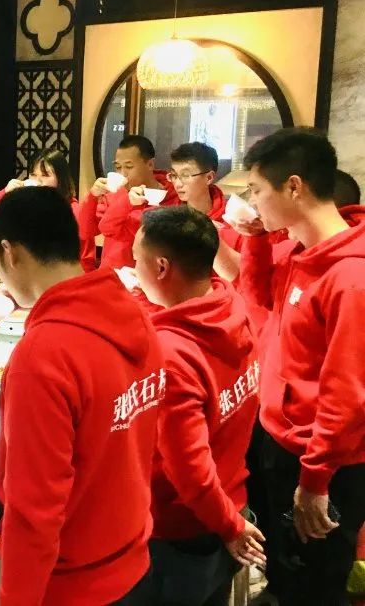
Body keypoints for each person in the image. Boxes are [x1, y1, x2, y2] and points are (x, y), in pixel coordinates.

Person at [0, 187, 164, 605]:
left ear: (9, 252)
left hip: (74, 583)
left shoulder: (44, 354)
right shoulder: (133, 313)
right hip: (132, 557)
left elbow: (34, 509)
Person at [227, 128, 365, 606]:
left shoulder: (350, 275)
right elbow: (257, 299)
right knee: (284, 566)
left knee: (316, 580)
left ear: (293, 187)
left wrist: (316, 478)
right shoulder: (303, 254)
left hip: (323, 460)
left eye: (255, 190)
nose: (252, 201)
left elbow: (347, 393)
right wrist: (256, 240)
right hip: (281, 438)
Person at [132, 207, 264, 606]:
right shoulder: (229, 305)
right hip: (229, 499)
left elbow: (189, 469)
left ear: (161, 267)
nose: (133, 270)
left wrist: (230, 527)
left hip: (183, 524)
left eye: (136, 260)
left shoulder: (173, 355)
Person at [79, 134, 178, 270]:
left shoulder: (170, 195)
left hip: (152, 276)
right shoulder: (115, 193)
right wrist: (92, 197)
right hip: (112, 275)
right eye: (118, 167)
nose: (122, 173)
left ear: (150, 164)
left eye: (129, 166)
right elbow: (85, 231)